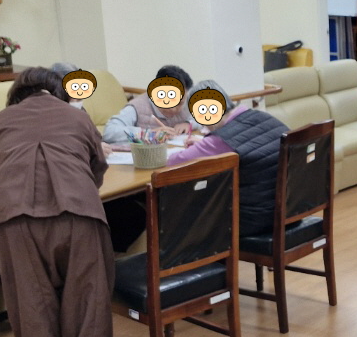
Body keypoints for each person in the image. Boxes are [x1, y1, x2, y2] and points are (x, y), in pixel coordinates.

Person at [0, 67, 113, 337]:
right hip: (78, 212)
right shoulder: (77, 116)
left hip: (12, 218)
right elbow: (97, 166)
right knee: (88, 296)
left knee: (29, 300)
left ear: (16, 94)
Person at [166, 84, 290, 236]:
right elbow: (250, 143)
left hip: (256, 218)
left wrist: (206, 144)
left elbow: (174, 162)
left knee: (185, 209)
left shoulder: (220, 140)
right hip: (289, 207)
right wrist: (204, 143)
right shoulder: (260, 116)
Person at [101, 64, 194, 144]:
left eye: (180, 103)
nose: (174, 109)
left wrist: (188, 123)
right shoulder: (137, 106)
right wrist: (146, 134)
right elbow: (109, 132)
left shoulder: (185, 101)